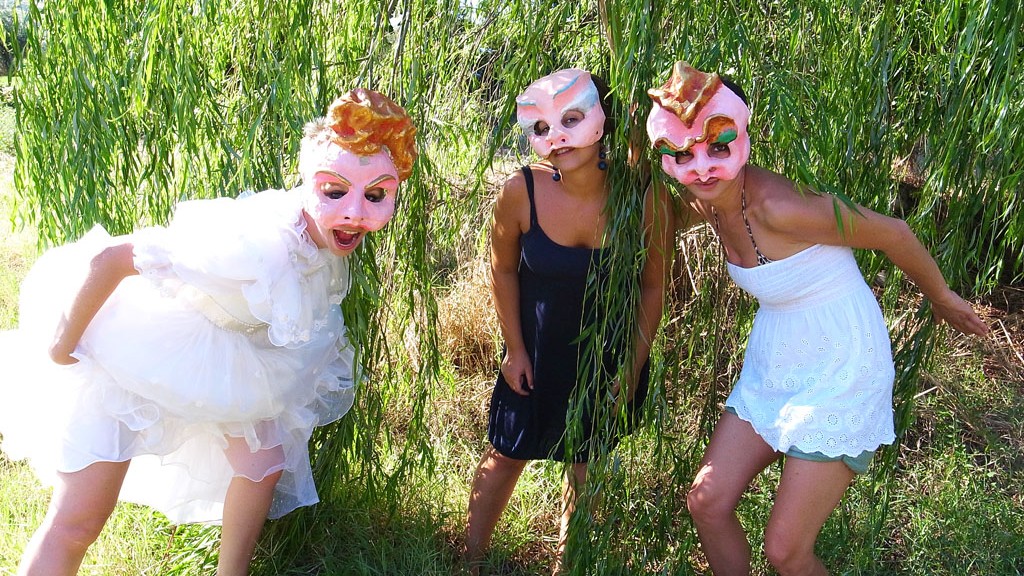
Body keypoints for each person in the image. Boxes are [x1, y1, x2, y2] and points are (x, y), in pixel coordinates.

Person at [0, 88, 416, 576]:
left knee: (263, 460)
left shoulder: (323, 242)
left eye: (375, 196)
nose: (354, 213)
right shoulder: (257, 246)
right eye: (334, 191)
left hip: (220, 349)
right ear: (309, 182)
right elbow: (111, 258)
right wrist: (60, 348)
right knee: (78, 520)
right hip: (125, 349)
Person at [646, 61, 989, 576]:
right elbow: (647, 226)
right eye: (682, 152)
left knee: (785, 551)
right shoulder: (705, 202)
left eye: (718, 146)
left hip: (841, 359)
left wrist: (940, 296)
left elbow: (893, 232)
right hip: (777, 354)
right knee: (707, 502)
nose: (701, 167)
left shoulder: (781, 207)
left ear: (741, 135)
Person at [464, 68, 672, 574]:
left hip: (605, 353)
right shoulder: (521, 191)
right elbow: (503, 269)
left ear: (602, 120)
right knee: (507, 453)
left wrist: (632, 367)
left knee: (585, 467)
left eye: (572, 119)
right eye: (540, 128)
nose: (557, 138)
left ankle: (569, 566)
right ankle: (466, 561)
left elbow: (652, 285)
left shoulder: (643, 195)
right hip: (534, 351)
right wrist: (513, 348)